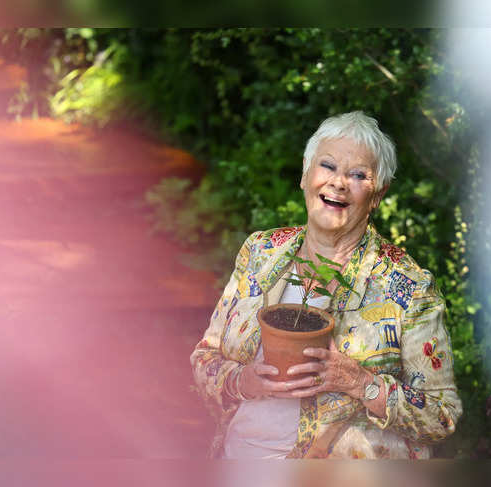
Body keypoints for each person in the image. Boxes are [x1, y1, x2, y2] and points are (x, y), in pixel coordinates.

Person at [190, 111, 462, 459]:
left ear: (377, 194)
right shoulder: (261, 252)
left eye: (358, 175)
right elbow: (205, 358)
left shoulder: (407, 287)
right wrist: (244, 381)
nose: (338, 182)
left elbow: (441, 416)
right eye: (328, 166)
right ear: (305, 177)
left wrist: (361, 383)